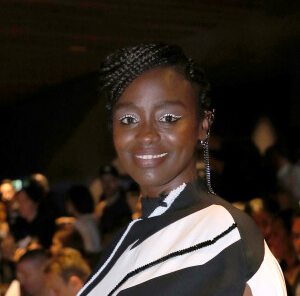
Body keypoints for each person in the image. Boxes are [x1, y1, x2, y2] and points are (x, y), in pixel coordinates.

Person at [77, 43, 286, 295]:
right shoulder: (120, 245)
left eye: (168, 118)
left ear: (203, 125)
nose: (146, 135)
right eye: (128, 119)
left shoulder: (226, 236)